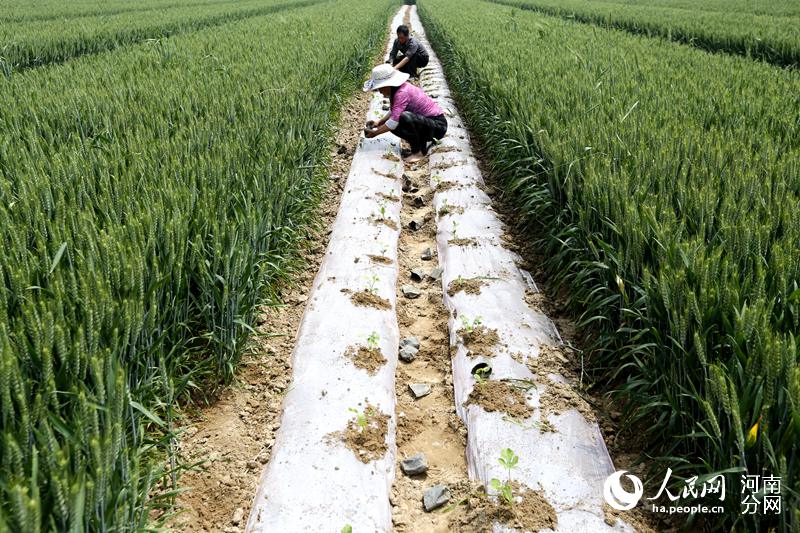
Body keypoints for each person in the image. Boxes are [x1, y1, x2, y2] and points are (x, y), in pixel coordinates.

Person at [363, 64, 447, 163]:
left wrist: (375, 133)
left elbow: (394, 121)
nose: (379, 91)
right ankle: (418, 146)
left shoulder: (402, 93)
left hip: (438, 126)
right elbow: (394, 112)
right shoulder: (397, 91)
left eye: (380, 88)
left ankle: (418, 152)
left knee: (403, 118)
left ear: (387, 85)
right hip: (426, 124)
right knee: (394, 125)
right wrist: (379, 123)